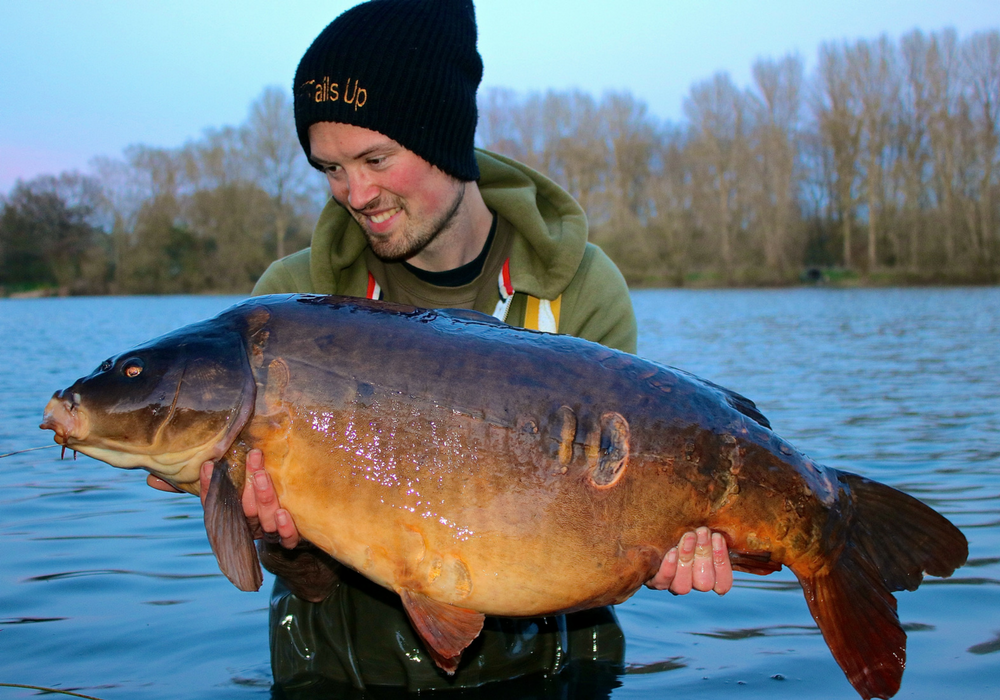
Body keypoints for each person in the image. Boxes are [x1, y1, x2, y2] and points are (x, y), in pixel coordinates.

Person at [149, 0, 733, 694]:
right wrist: (284, 542)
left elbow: (615, 517)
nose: (355, 193)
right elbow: (301, 577)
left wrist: (664, 546)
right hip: (341, 669)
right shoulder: (292, 297)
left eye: (375, 159)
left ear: (445, 141)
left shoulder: (577, 287)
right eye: (330, 168)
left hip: (550, 665)